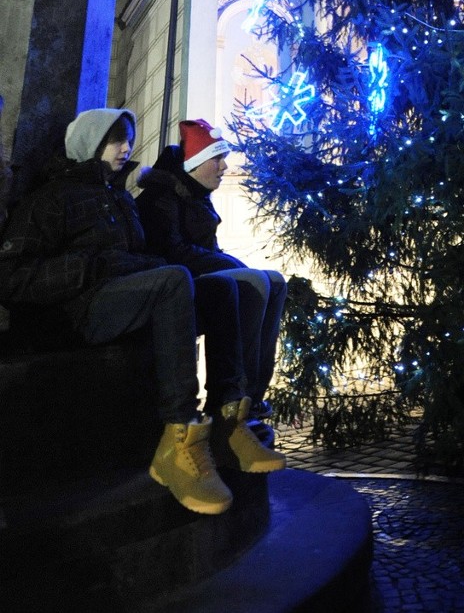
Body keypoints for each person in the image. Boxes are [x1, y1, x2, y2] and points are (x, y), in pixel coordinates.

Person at [0, 108, 285, 516]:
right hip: (78, 311)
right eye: (116, 140)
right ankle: (178, 434)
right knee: (172, 280)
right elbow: (11, 275)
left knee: (220, 287)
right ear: (91, 146)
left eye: (128, 139)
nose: (126, 148)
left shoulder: (117, 197)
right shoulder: (53, 198)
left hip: (120, 297)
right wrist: (92, 266)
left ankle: (227, 413)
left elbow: (139, 257)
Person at [136, 119, 287, 425]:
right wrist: (233, 266)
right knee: (254, 281)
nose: (224, 167)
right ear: (193, 164)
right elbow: (174, 253)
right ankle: (232, 400)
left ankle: (252, 398)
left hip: (199, 278)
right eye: (216, 159)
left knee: (275, 280)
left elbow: (207, 253)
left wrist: (230, 265)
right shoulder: (161, 198)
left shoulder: (196, 196)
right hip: (179, 288)